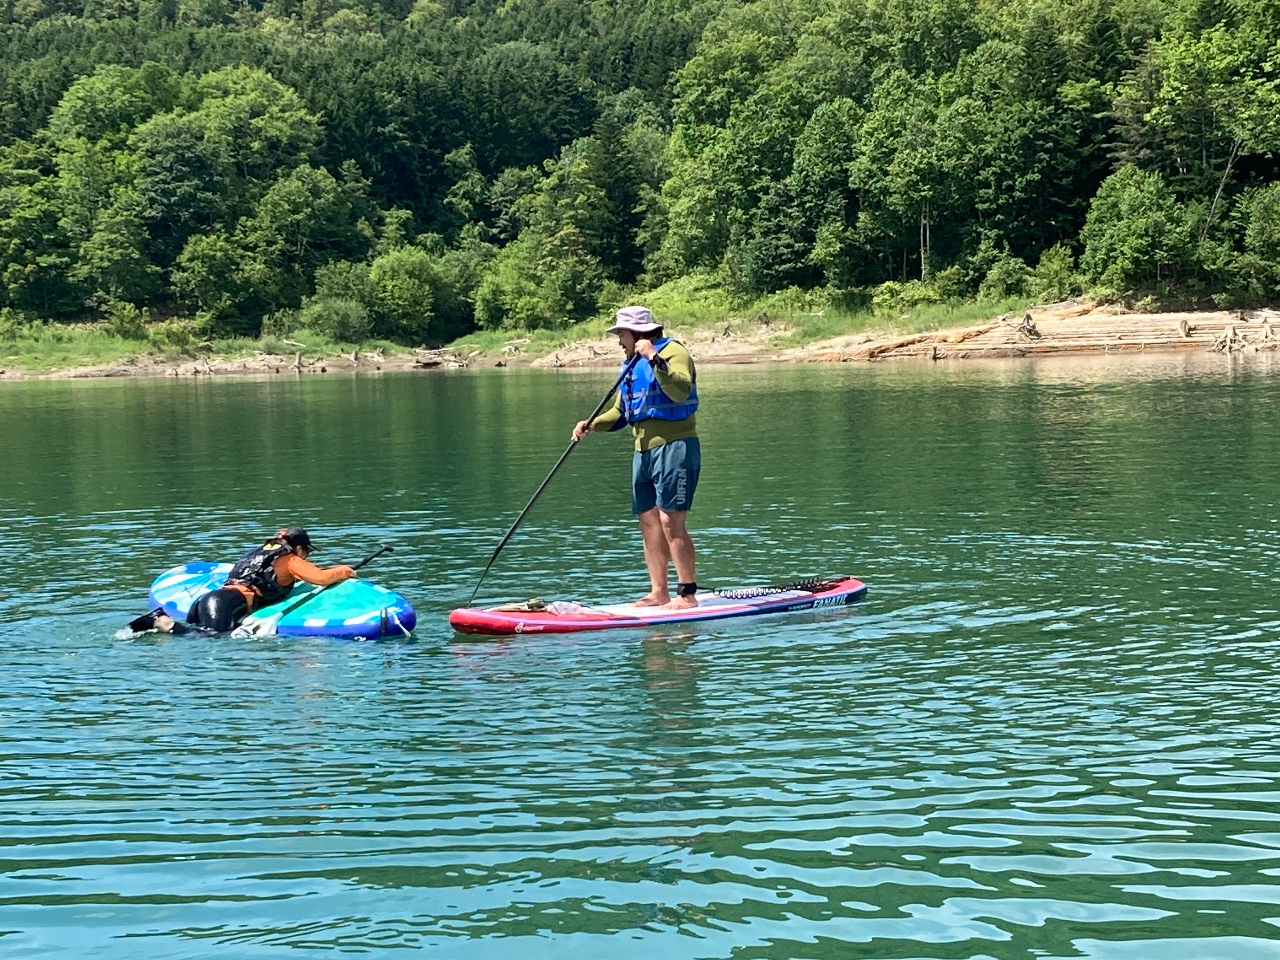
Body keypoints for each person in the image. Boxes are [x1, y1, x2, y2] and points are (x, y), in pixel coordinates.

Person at [573, 306, 701, 609]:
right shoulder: (629, 365)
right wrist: (592, 425)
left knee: (671, 522)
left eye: (622, 334)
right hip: (642, 452)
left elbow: (681, 391)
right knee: (649, 522)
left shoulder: (673, 352)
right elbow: (620, 413)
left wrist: (653, 358)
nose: (619, 340)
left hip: (675, 447)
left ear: (638, 333)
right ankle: (659, 591)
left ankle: (688, 594)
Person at [185, 527, 355, 632]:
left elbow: (283, 577)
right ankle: (162, 622)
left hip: (209, 600)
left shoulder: (261, 552)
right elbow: (321, 578)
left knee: (195, 634)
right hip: (225, 604)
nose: (306, 557)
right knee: (209, 640)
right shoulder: (290, 559)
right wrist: (345, 571)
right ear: (298, 548)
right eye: (307, 552)